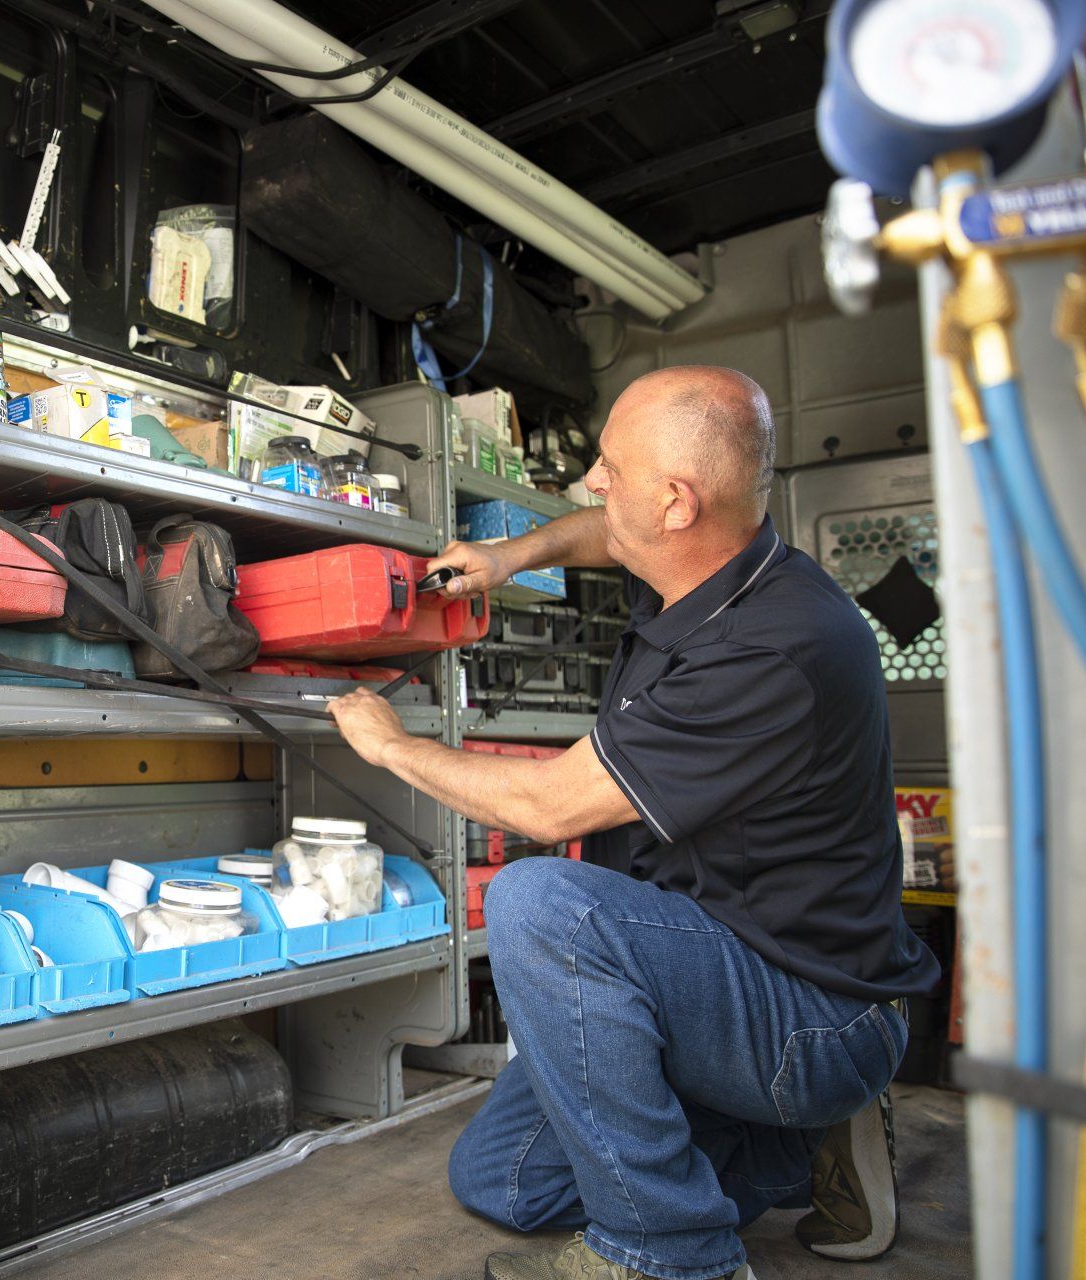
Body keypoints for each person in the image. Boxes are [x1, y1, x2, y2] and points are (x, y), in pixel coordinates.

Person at [327, 366, 939, 1280]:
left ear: (678, 503)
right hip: (715, 959)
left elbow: (547, 806)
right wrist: (509, 558)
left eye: (609, 467)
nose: (591, 483)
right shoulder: (711, 562)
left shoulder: (775, 645)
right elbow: (606, 537)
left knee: (540, 902)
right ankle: (787, 1145)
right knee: (503, 1183)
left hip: (813, 1005)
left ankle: (670, 1255)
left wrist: (388, 747)